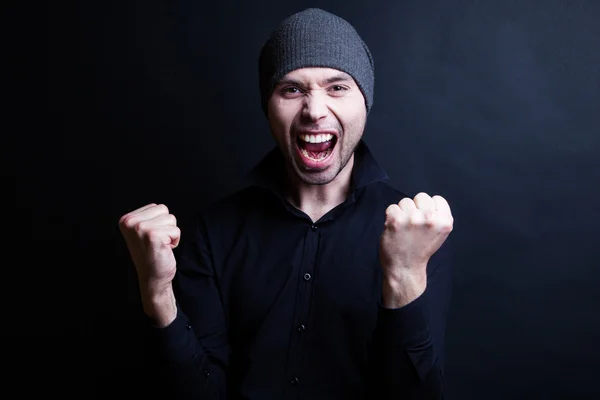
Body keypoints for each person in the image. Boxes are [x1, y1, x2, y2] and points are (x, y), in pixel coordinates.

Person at [119, 7, 454, 400]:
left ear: (365, 101)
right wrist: (157, 291)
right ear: (268, 106)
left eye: (337, 87)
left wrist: (405, 276)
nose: (314, 110)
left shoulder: (416, 231)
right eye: (292, 89)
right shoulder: (216, 231)